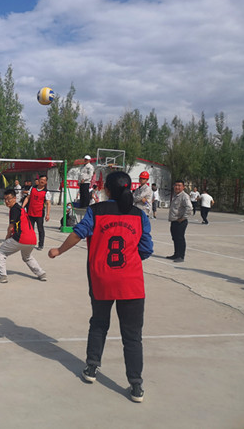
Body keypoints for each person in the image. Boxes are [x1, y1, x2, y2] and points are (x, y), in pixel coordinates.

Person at [48, 171, 153, 403]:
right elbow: (146, 249)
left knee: (98, 324)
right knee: (132, 336)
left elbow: (78, 233)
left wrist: (58, 250)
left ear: (106, 190)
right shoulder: (139, 215)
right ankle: (136, 384)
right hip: (132, 283)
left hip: (101, 279)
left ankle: (92, 368)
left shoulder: (96, 211)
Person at [0, 189, 47, 284]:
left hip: (21, 238)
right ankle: (41, 274)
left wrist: (7, 237)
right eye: (5, 199)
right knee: (27, 257)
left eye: (9, 199)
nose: (7, 201)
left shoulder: (14, 209)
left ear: (14, 198)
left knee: (0, 252)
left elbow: (11, 227)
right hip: (32, 239)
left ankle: (2, 276)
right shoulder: (20, 209)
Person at [22, 174, 51, 250]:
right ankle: (30, 243)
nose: (42, 181)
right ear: (39, 180)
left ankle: (41, 244)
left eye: (44, 180)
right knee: (30, 229)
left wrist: (48, 214)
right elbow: (27, 198)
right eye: (41, 179)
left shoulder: (46, 192)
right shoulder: (33, 188)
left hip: (39, 214)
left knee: (40, 229)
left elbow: (48, 203)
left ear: (46, 182)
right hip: (30, 212)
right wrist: (23, 206)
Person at [166, 179, 192, 263]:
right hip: (174, 220)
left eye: (179, 185)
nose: (177, 187)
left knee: (180, 238)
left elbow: (189, 207)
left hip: (180, 221)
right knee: (175, 238)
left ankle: (181, 256)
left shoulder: (184, 196)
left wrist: (183, 218)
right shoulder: (175, 195)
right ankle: (176, 254)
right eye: (176, 185)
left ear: (183, 187)